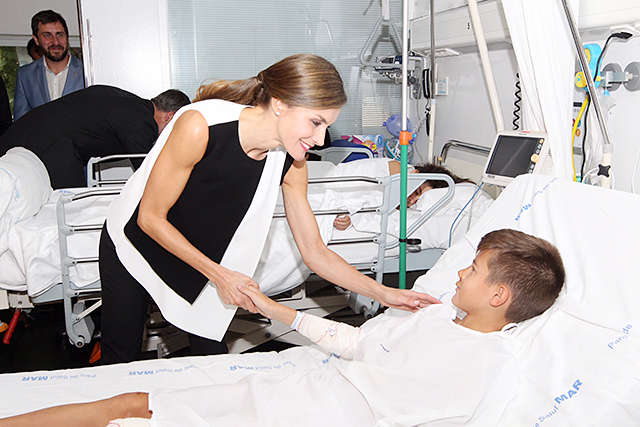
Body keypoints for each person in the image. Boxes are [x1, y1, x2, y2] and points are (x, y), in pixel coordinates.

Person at [0, 229, 565, 426]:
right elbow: (356, 342)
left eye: (474, 269)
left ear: (499, 296)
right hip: (298, 389)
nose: (459, 271)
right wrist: (273, 308)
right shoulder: (437, 314)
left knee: (132, 411)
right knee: (131, 402)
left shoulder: (493, 366)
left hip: (322, 415)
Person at [98, 54, 438, 365]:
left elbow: (315, 252)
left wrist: (385, 294)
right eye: (315, 122)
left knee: (212, 361)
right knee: (121, 356)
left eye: (326, 126)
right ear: (279, 104)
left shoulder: (292, 162)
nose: (321, 139)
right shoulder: (200, 125)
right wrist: (221, 275)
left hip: (198, 255)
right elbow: (149, 218)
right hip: (135, 243)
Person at [0, 85, 190, 188]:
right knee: (72, 211)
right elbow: (149, 172)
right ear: (170, 116)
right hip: (47, 145)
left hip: (37, 136)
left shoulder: (132, 104)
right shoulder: (142, 121)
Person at [333, 162, 473, 230]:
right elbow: (368, 194)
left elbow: (370, 206)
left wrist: (349, 218)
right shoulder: (398, 170)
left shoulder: (399, 205)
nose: (411, 201)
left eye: (417, 201)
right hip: (333, 182)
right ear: (416, 174)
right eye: (416, 192)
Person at [13, 10, 85, 120]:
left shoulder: (86, 71)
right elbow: (21, 122)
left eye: (59, 34)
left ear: (67, 36)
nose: (55, 42)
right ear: (36, 40)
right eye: (47, 35)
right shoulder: (25, 75)